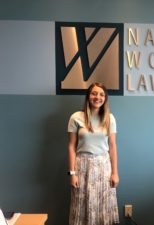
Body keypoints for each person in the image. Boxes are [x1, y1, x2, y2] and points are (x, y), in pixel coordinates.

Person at [67, 83, 119, 225]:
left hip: (103, 167)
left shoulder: (110, 118)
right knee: (81, 205)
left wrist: (115, 173)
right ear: (88, 96)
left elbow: (113, 147)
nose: (98, 97)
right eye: (94, 93)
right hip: (82, 167)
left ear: (105, 98)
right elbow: (71, 146)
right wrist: (72, 173)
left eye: (102, 94)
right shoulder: (76, 117)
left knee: (103, 207)